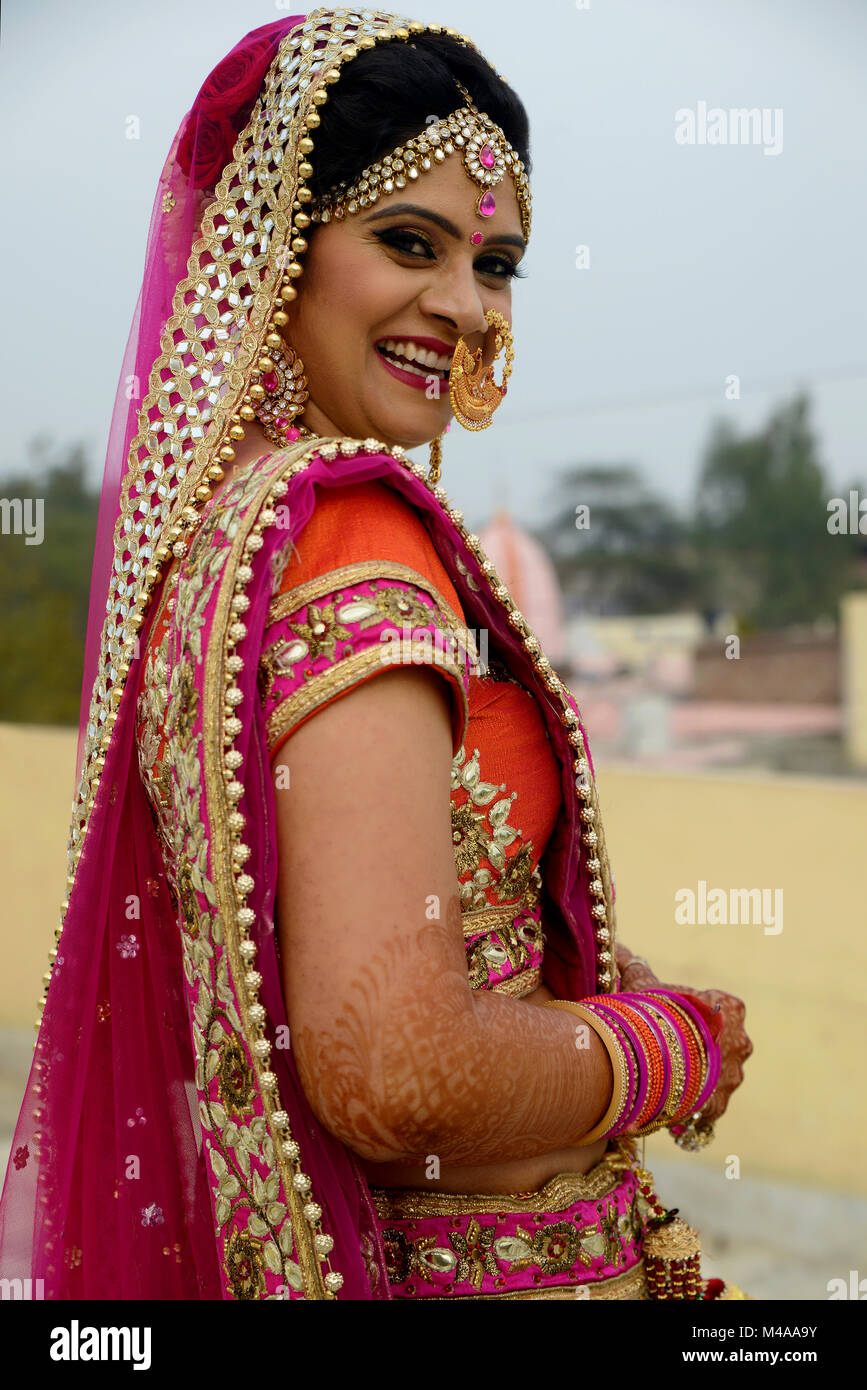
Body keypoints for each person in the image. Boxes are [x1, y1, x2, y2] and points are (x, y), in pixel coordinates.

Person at [0, 8, 752, 1301]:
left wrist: (567, 976)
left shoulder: (213, 536)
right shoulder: (349, 532)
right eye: (409, 242)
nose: (463, 306)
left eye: (498, 262)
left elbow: (367, 932)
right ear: (282, 247)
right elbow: (390, 1063)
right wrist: (669, 1044)